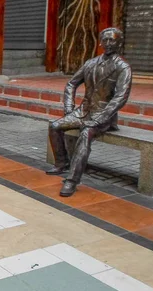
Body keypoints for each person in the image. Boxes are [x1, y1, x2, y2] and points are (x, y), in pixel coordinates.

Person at [46, 27, 132, 197]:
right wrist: (69, 108)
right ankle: (62, 163)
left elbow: (121, 97)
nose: (108, 43)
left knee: (86, 133)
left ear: (119, 42)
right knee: (54, 126)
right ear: (100, 42)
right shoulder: (90, 63)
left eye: (112, 40)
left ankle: (72, 180)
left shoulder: (123, 67)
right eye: (105, 40)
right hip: (83, 111)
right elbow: (71, 84)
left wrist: (101, 118)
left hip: (104, 114)